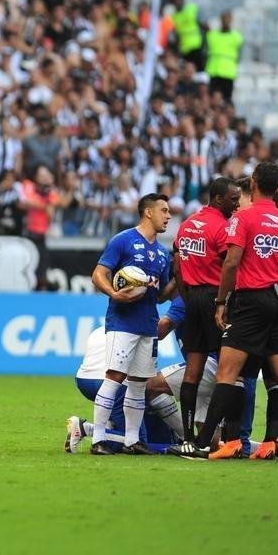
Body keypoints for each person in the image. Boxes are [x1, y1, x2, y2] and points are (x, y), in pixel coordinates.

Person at [187, 161, 278, 460]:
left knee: (228, 371)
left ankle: (201, 443)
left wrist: (222, 301)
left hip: (251, 301)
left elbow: (231, 262)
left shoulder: (244, 218)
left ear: (253, 183)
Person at [87, 193, 176, 455]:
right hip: (122, 322)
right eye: (164, 210)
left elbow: (159, 296)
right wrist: (114, 294)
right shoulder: (123, 240)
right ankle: (98, 439)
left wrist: (178, 277)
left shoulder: (161, 253)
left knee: (138, 383)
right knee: (115, 377)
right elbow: (98, 274)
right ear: (148, 212)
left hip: (149, 324)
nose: (168, 216)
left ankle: (131, 440)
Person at [169, 177, 240, 443]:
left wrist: (188, 299)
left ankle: (187, 438)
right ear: (218, 198)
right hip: (215, 299)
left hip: (193, 297)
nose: (236, 204)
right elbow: (230, 266)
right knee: (230, 371)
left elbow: (177, 267)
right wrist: (224, 302)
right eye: (233, 199)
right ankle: (229, 439)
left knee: (192, 371)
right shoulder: (222, 228)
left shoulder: (187, 225)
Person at [65, 306, 193, 453]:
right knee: (137, 442)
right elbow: (143, 377)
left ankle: (109, 426)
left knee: (147, 395)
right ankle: (86, 429)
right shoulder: (139, 329)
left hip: (84, 380)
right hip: (113, 383)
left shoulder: (104, 327)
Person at [205, 11, 242, 104]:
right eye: (224, 18)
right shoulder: (212, 35)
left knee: (226, 101)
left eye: (227, 19)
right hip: (214, 71)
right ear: (220, 20)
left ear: (231, 20)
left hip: (228, 73)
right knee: (212, 100)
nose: (226, 21)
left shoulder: (237, 37)